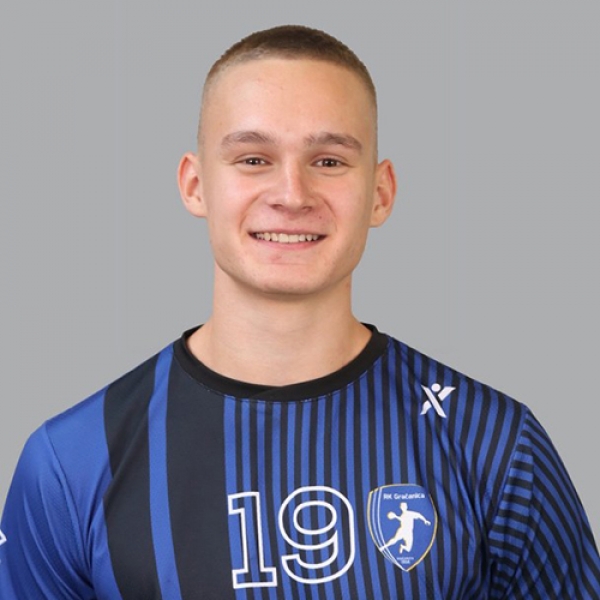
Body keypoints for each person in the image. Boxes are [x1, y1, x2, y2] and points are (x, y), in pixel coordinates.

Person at [1, 24, 599, 600]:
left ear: (381, 193)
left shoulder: (493, 442)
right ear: (195, 185)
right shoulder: (72, 461)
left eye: (329, 161)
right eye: (253, 159)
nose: (292, 194)